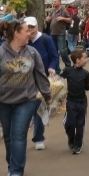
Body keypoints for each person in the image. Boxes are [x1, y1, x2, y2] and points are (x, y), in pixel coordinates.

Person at [0, 19, 52, 176]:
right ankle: (11, 165)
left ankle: (16, 172)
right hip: (3, 101)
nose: (30, 33)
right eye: (26, 30)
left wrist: (47, 95)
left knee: (19, 135)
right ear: (16, 33)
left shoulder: (32, 53)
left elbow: (41, 76)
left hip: (26, 100)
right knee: (8, 136)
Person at [25, 16, 60, 150]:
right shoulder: (23, 41)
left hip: (43, 79)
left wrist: (52, 67)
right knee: (27, 108)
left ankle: (38, 137)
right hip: (26, 80)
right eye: (27, 28)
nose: (30, 30)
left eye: (32, 27)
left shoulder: (46, 39)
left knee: (39, 108)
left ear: (37, 27)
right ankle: (21, 138)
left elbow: (54, 56)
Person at [61, 48, 89, 154]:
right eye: (85, 58)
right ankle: (71, 139)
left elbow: (86, 87)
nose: (87, 60)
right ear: (77, 60)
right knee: (70, 124)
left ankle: (78, 144)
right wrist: (54, 76)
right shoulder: (68, 71)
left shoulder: (85, 73)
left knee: (80, 124)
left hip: (82, 102)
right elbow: (59, 78)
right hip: (71, 102)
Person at [48, 0, 73, 66]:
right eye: (53, 1)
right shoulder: (52, 11)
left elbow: (70, 20)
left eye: (55, 1)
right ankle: (56, 66)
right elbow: (49, 18)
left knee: (62, 51)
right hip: (52, 33)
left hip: (60, 34)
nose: (54, 3)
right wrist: (48, 19)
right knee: (54, 51)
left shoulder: (64, 11)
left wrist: (63, 18)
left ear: (59, 2)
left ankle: (68, 65)